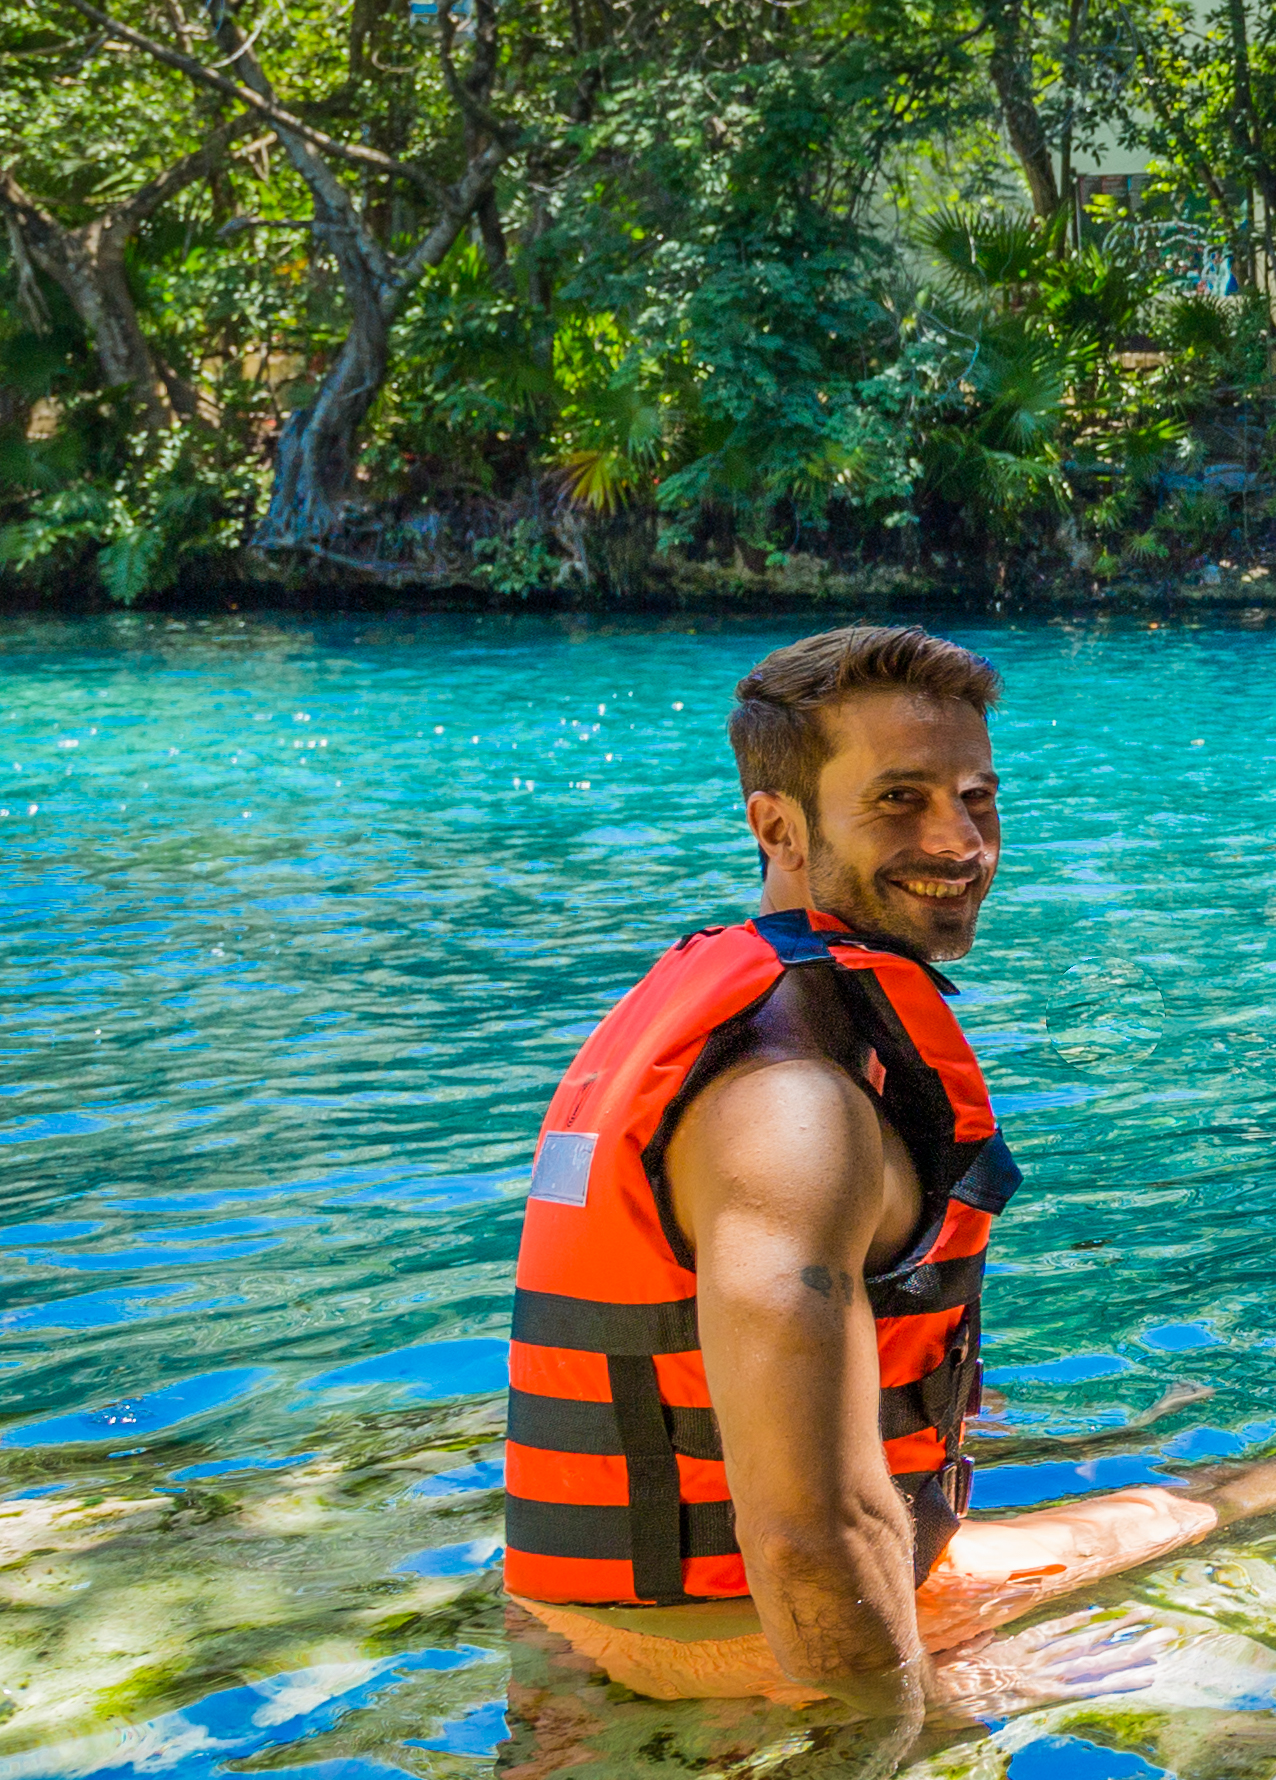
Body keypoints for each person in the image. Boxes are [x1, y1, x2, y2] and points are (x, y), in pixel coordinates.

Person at [495, 624, 1234, 1724]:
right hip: (733, 1653)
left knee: (1226, 1488)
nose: (959, 840)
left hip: (613, 1615)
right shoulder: (792, 1108)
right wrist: (922, 1725)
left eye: (976, 800)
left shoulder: (733, 1008)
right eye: (899, 800)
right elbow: (806, 1536)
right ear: (777, 827)